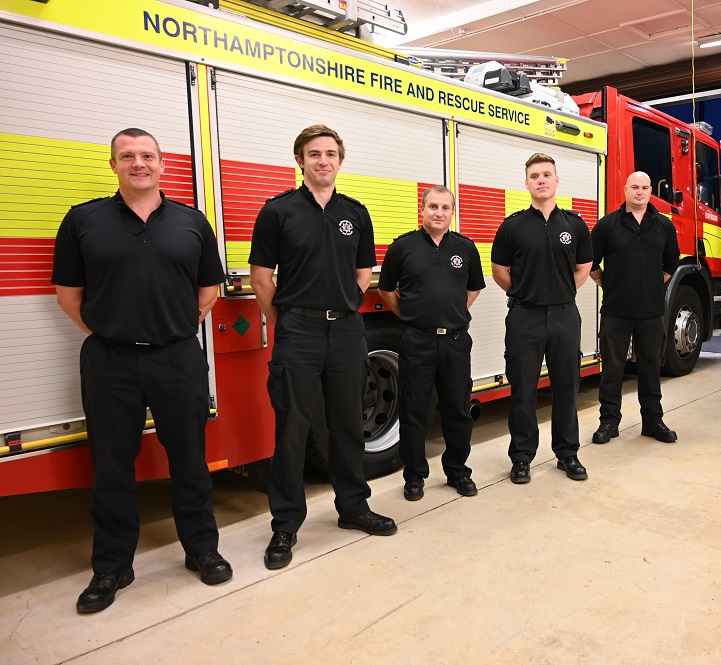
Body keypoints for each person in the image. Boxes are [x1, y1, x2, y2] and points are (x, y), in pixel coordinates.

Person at [52, 128, 231, 614]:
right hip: (109, 361)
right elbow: (68, 295)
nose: (138, 164)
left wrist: (170, 329)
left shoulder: (192, 222)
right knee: (111, 467)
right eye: (127, 156)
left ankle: (202, 550)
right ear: (112, 165)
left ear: (162, 164)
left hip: (177, 357)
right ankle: (111, 567)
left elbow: (208, 292)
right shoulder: (83, 220)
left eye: (147, 155)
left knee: (190, 459)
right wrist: (114, 330)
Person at [249, 124, 397, 571]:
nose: (323, 161)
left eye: (331, 153)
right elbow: (261, 277)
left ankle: (353, 508)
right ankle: (286, 524)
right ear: (300, 161)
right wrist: (289, 323)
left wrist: (343, 309)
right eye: (314, 154)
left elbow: (363, 272)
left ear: (340, 160)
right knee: (293, 428)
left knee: (348, 424)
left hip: (348, 332)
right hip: (299, 331)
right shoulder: (278, 212)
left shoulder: (356, 212)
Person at [491, 153, 593, 484]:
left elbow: (583, 269)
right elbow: (499, 271)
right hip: (525, 317)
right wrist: (525, 295)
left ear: (556, 181)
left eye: (547, 174)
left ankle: (568, 454)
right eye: (534, 176)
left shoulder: (574, 224)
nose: (541, 180)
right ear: (527, 183)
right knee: (523, 390)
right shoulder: (513, 226)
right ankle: (521, 458)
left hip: (565, 316)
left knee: (567, 386)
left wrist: (560, 294)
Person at [378, 186, 485, 500]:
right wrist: (412, 318)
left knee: (458, 410)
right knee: (414, 412)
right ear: (421, 210)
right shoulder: (402, 248)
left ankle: (457, 472)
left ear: (452, 212)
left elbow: (474, 288)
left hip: (454, 342)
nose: (439, 213)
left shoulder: (465, 247)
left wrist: (452, 314)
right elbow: (386, 291)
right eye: (433, 207)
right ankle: (414, 475)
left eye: (445, 208)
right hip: (416, 342)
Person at [589, 171, 680, 445]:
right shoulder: (607, 225)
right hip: (615, 311)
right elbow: (592, 265)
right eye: (634, 187)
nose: (639, 192)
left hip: (651, 312)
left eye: (644, 187)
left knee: (651, 368)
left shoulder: (664, 225)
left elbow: (671, 265)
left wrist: (650, 286)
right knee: (612, 370)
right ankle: (609, 422)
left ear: (651, 190)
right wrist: (610, 285)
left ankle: (653, 421)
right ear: (625, 189)